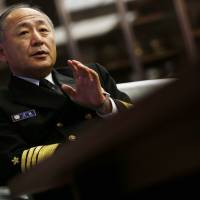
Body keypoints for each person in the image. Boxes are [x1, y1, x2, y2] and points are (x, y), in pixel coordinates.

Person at [0, 3, 132, 199]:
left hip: (128, 173)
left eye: (44, 30)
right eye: (23, 33)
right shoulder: (3, 103)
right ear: (2, 53)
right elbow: (11, 164)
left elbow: (139, 120)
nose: (38, 40)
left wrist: (103, 105)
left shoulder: (90, 75)